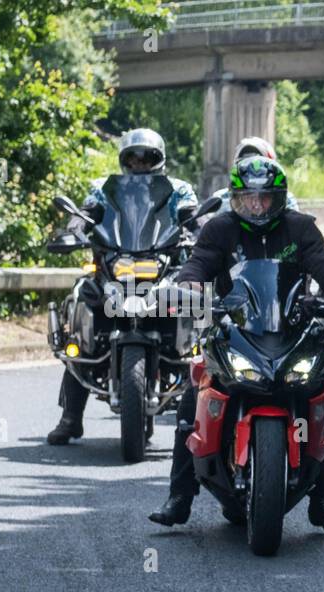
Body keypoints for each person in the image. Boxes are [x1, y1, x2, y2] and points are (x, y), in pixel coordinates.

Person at [148, 155, 324, 533]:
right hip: (233, 328)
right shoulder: (220, 230)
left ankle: (323, 501)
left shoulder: (300, 228)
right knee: (193, 394)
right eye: (249, 199)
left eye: (265, 198)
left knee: (319, 392)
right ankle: (180, 496)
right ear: (235, 199)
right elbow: (198, 263)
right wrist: (187, 287)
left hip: (291, 328)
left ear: (280, 198)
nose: (257, 206)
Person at [47, 128, 198, 445]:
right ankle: (70, 418)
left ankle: (198, 424)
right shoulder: (104, 188)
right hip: (116, 264)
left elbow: (191, 216)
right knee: (83, 309)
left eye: (147, 157)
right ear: (124, 160)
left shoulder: (178, 190)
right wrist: (75, 229)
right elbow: (87, 213)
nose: (140, 162)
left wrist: (202, 230)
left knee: (200, 318)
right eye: (133, 156)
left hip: (163, 264)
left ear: (159, 160)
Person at [207, 137, 300, 215]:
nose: (252, 171)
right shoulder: (220, 198)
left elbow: (294, 227)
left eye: (259, 164)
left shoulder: (285, 198)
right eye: (245, 163)